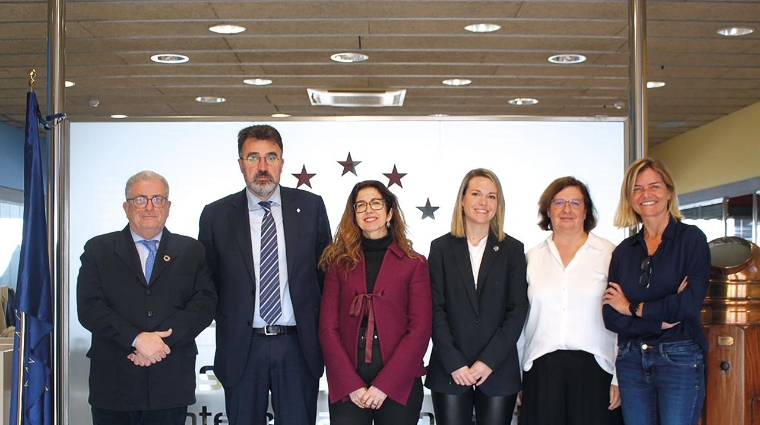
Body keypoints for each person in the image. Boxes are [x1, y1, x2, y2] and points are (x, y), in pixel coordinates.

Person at [198, 124, 332, 425]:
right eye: (253, 157)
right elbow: (209, 282)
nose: (262, 167)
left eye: (271, 157)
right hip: (242, 348)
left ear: (282, 163)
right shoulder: (216, 216)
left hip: (297, 346)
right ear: (240, 164)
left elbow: (326, 274)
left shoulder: (311, 207)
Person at [77, 170, 217, 425]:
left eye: (157, 199)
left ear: (168, 206)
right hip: (115, 383)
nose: (150, 207)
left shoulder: (192, 251)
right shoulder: (98, 250)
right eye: (140, 199)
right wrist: (136, 339)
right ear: (126, 207)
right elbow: (89, 307)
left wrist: (161, 343)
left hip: (170, 381)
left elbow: (204, 304)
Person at [603, 157, 710, 425]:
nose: (646, 194)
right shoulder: (623, 252)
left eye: (654, 186)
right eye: (637, 188)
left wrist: (632, 307)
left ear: (669, 191)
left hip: (679, 357)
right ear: (629, 197)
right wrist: (661, 315)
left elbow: (688, 306)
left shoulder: (691, 240)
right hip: (631, 360)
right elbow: (610, 317)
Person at [318, 180, 432, 425]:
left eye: (376, 203)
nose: (368, 210)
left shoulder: (414, 263)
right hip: (348, 382)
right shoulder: (338, 263)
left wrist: (384, 386)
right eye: (360, 206)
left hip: (399, 381)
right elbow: (327, 328)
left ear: (389, 212)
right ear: (354, 216)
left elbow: (420, 329)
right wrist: (351, 384)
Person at [426, 168, 529, 425]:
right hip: (450, 369)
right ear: (462, 199)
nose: (484, 202)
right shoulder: (440, 248)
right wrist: (454, 363)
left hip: (497, 369)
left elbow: (516, 311)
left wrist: (487, 362)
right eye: (476, 194)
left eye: (492, 196)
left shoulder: (512, 250)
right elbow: (434, 309)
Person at [519, 176, 622, 425]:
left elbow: (622, 319)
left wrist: (618, 377)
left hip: (596, 369)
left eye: (575, 203)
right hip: (541, 370)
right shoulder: (531, 257)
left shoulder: (610, 254)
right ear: (548, 209)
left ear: (586, 210)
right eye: (559, 202)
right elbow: (521, 322)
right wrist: (517, 377)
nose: (567, 209)